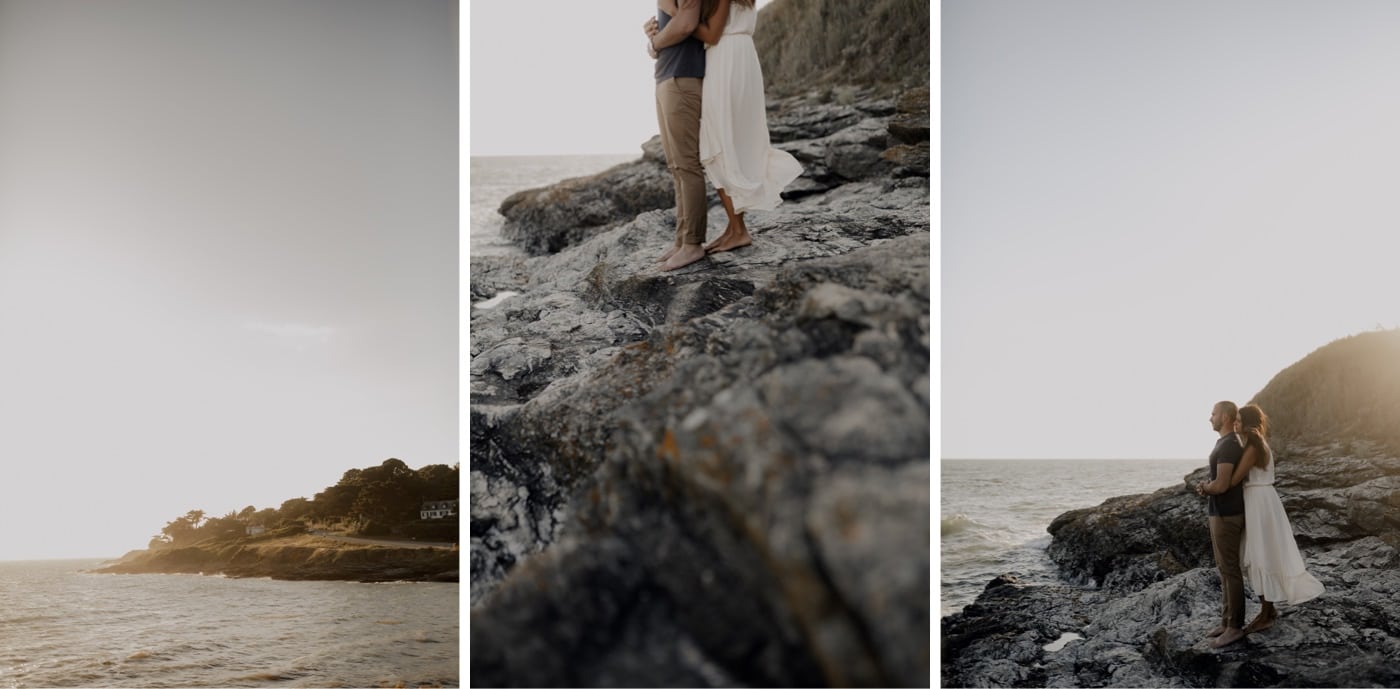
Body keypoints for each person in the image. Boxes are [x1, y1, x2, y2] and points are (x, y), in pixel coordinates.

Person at [647, 0, 801, 258]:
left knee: (719, 144)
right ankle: (735, 228)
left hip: (726, 58)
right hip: (728, 57)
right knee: (721, 144)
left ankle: (738, 230)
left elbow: (711, 34)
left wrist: (674, 14)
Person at [1217, 403, 1325, 633]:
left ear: (1247, 422)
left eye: (1238, 420)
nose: (1235, 423)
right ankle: (1268, 610)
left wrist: (1215, 483)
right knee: (1259, 553)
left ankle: (1267, 613)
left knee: (1261, 554)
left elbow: (1235, 479)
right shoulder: (1255, 443)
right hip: (1261, 499)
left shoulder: (1254, 446)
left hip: (1259, 502)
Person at [645, 0, 709, 271]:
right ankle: (682, 240)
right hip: (666, 77)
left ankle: (693, 244)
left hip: (682, 78)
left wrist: (656, 42)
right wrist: (653, 39)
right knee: (676, 166)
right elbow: (670, 31)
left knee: (687, 165)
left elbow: (686, 24)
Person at [1193, 401, 1247, 648]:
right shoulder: (1224, 443)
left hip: (1227, 514)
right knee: (1224, 569)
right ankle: (1226, 621)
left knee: (1230, 570)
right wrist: (1209, 487)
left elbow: (1223, 484)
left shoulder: (1228, 444)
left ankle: (1235, 627)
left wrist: (1205, 487)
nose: (1210, 418)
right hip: (1220, 511)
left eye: (1213, 413)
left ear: (1224, 416)